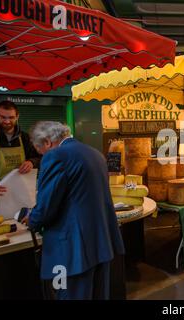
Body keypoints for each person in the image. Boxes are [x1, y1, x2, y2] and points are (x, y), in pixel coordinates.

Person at [27, 121, 125, 300]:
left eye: (39, 150)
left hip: (70, 250)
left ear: (48, 142)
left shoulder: (55, 156)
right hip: (101, 244)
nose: (41, 156)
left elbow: (46, 207)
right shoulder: (95, 153)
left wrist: (30, 219)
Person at [0, 100, 41, 211]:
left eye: (11, 117)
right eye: (3, 117)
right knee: (1, 224)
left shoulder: (26, 138)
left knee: (23, 223)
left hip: (22, 191)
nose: (7, 121)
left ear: (17, 116)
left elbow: (41, 158)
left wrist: (32, 162)